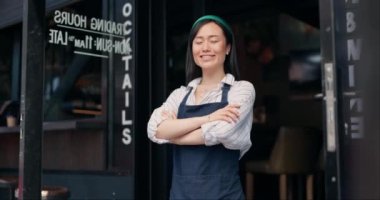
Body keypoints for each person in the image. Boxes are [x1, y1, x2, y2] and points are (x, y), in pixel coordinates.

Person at [147, 15, 255, 199]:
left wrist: (175, 135)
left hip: (223, 195)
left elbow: (223, 131)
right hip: (181, 195)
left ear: (227, 48)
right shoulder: (179, 95)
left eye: (213, 41)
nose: (205, 48)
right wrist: (208, 118)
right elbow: (155, 129)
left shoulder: (242, 89)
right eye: (198, 42)